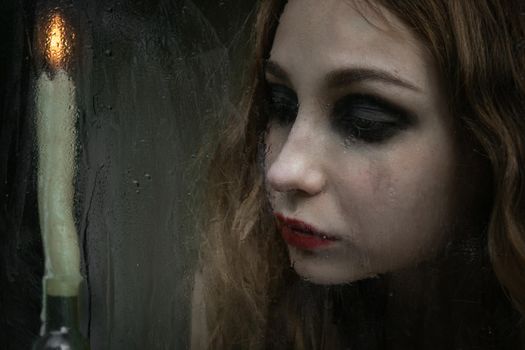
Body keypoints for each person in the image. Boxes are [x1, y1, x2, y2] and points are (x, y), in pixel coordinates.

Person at [191, 0, 525, 348]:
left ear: (495, 145)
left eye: (364, 120)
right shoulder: (242, 297)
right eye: (281, 104)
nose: (283, 170)